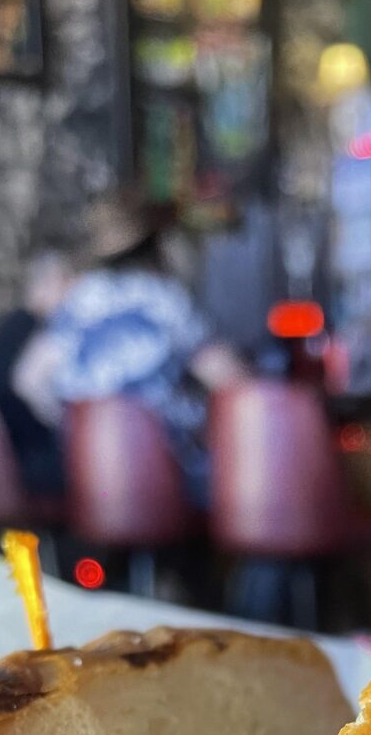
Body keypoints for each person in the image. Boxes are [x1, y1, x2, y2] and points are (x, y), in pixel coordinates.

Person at [13, 191, 245, 506]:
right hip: (167, 482)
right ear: (160, 245)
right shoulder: (162, 298)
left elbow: (27, 381)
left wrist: (76, 427)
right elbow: (230, 380)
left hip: (94, 487)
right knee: (253, 483)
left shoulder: (72, 305)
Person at [0, 250, 74, 496]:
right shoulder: (44, 332)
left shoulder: (9, 329)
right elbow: (27, 385)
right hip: (39, 465)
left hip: (12, 465)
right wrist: (68, 422)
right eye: (69, 283)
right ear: (54, 282)